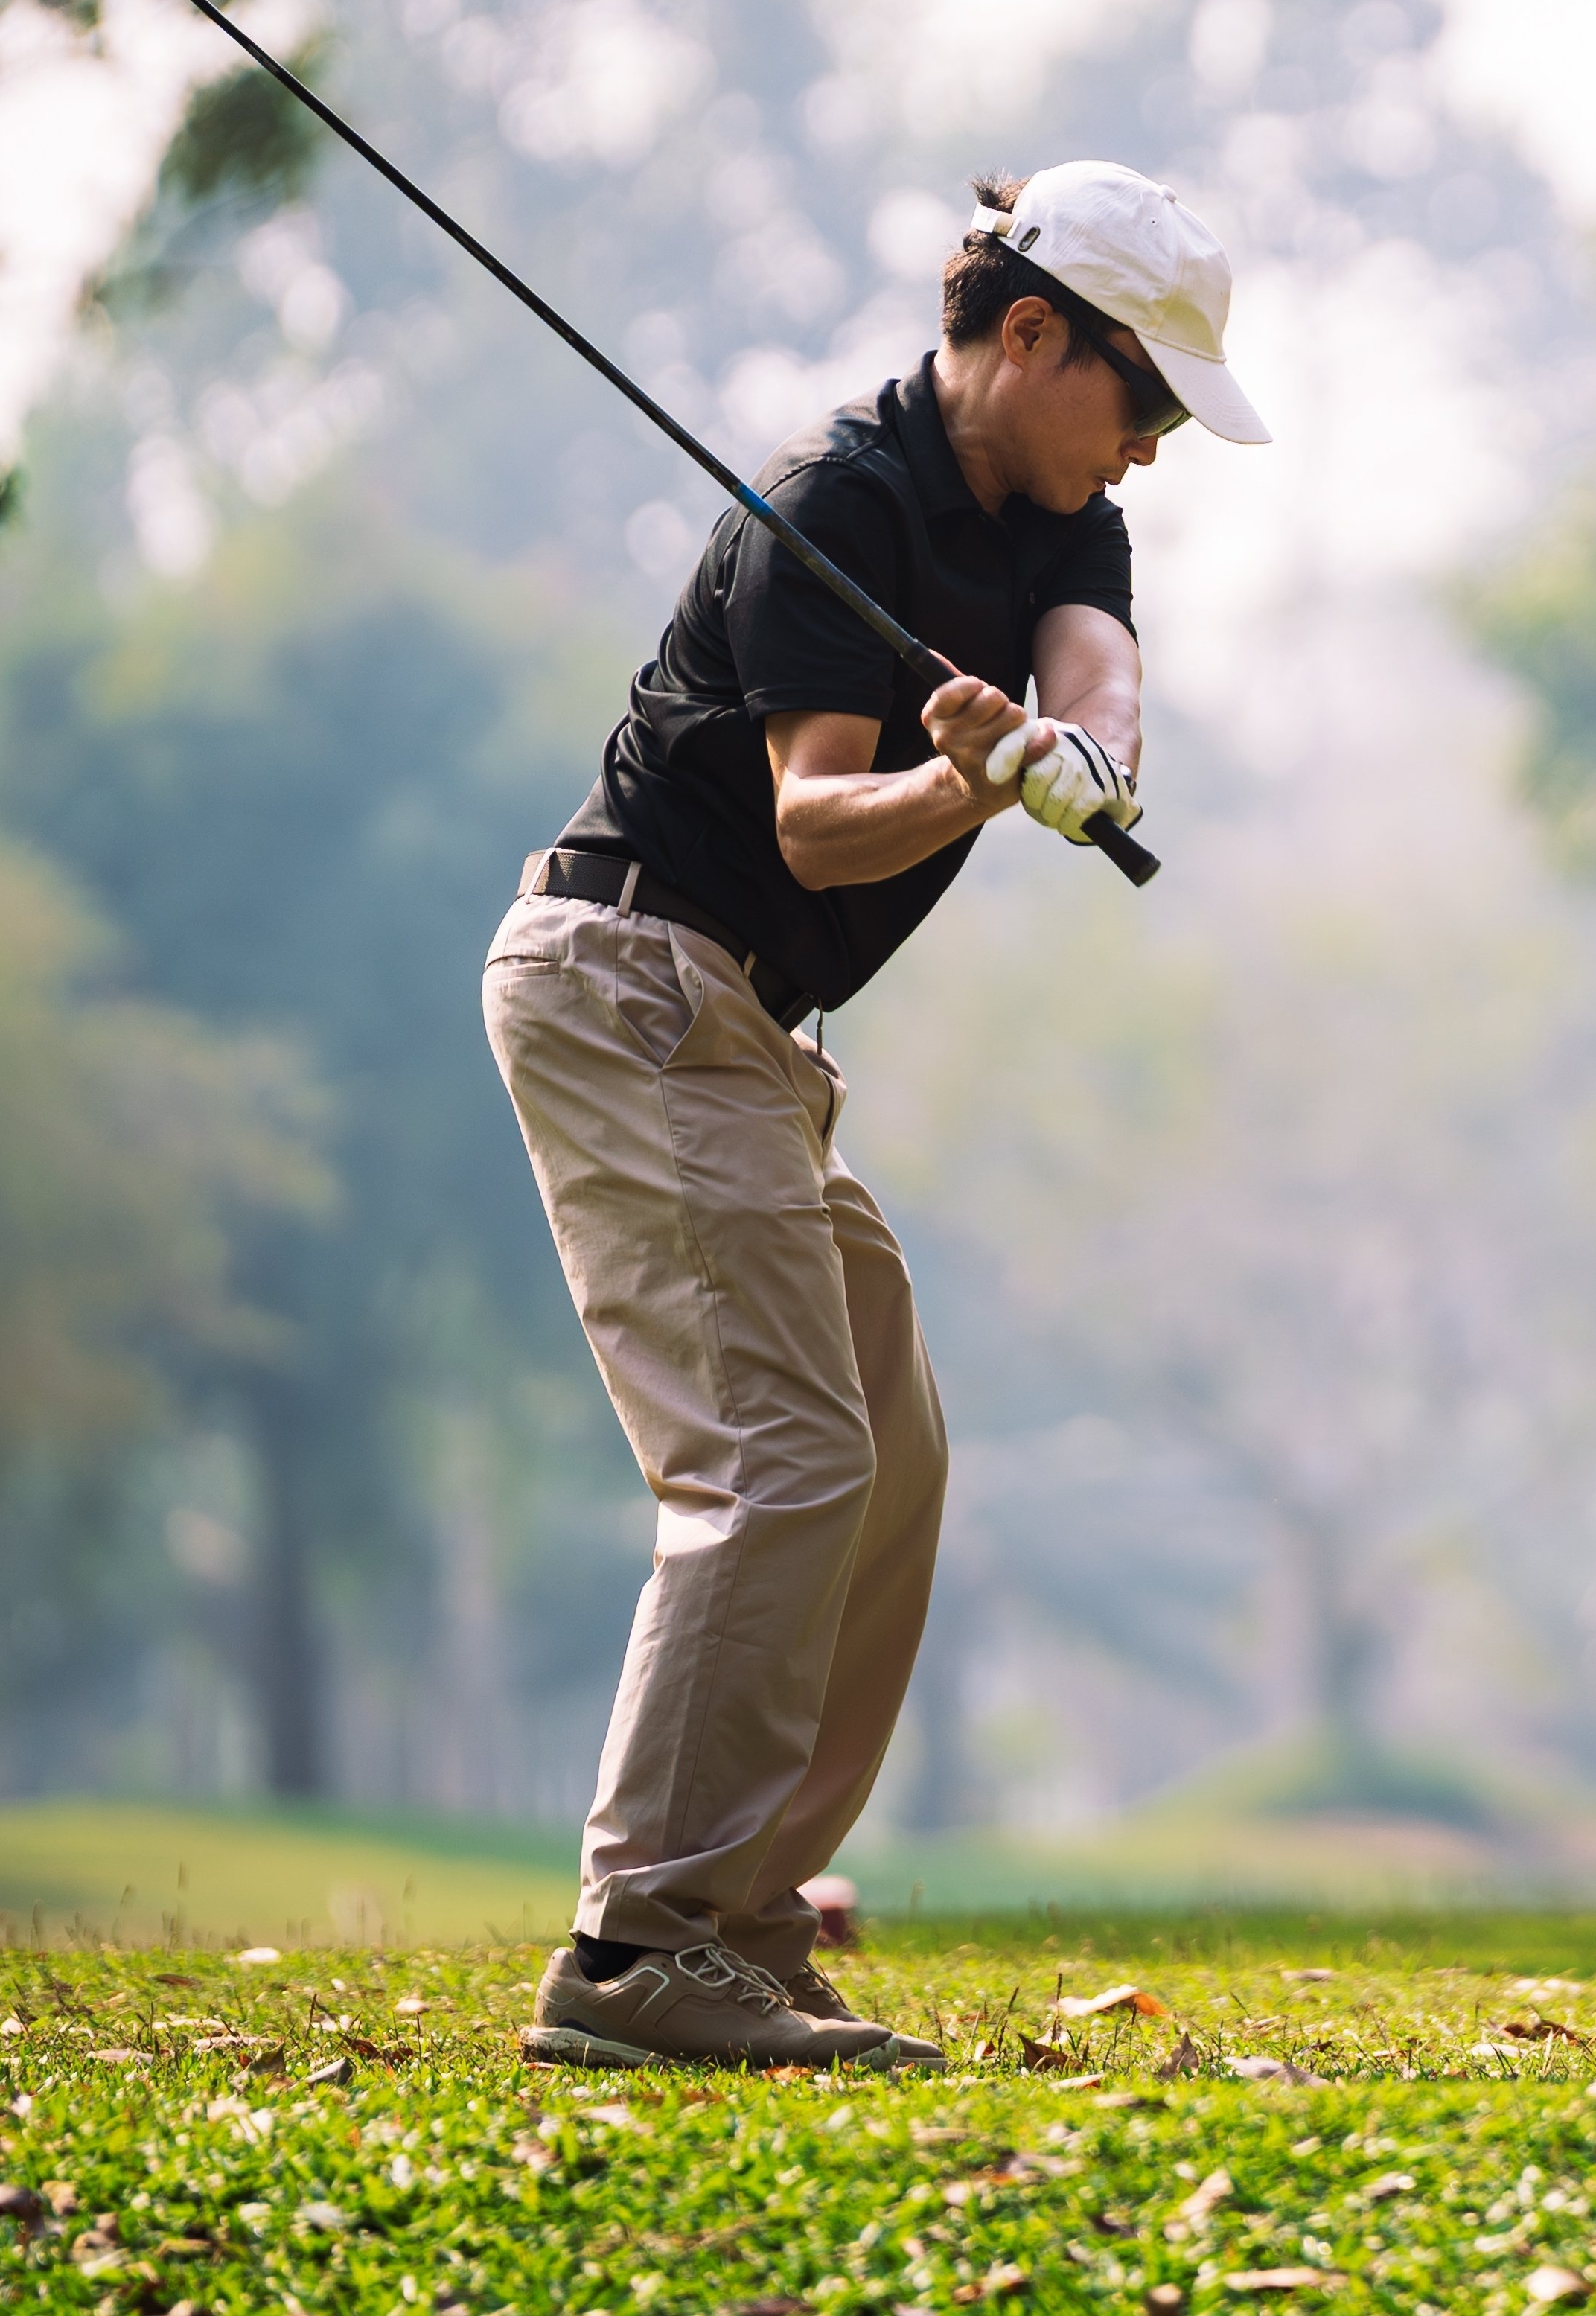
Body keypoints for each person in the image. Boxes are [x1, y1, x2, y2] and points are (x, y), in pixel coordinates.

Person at [483, 160, 1268, 2073]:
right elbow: (815, 819)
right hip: (631, 980)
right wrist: (974, 787)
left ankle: (744, 1915)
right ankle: (637, 1941)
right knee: (779, 1449)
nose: (1151, 449)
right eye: (1145, 400)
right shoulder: (833, 502)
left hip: (745, 1029)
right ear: (1032, 334)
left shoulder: (1064, 514)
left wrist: (1080, 752)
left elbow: (1099, 670)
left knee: (886, 1453)